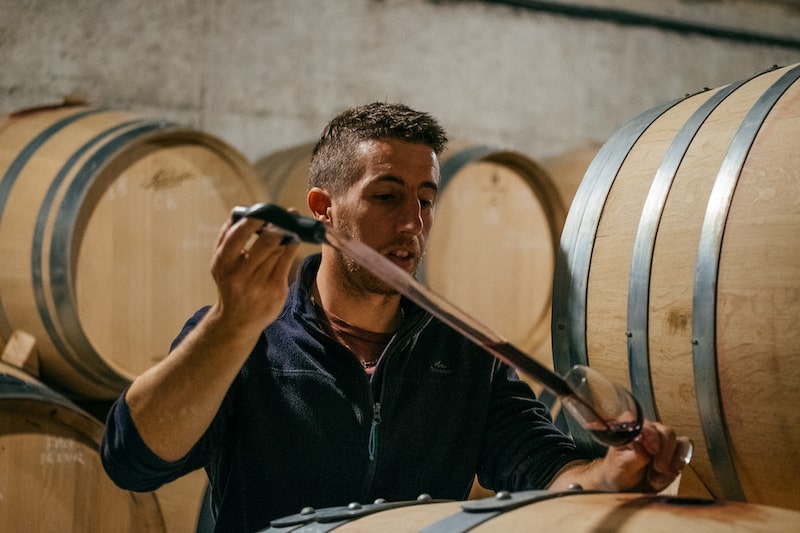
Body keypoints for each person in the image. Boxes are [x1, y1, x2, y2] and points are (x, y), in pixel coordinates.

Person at [101, 102, 689, 532]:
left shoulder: (465, 351)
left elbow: (542, 466)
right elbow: (133, 460)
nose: (413, 223)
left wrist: (606, 477)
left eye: (426, 200)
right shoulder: (249, 335)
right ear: (323, 209)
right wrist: (231, 324)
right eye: (386, 197)